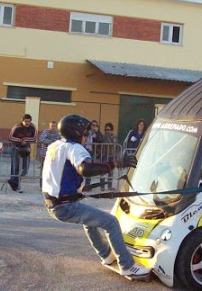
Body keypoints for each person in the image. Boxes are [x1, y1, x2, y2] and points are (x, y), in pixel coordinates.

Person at [42, 114, 150, 280]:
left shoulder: (54, 146)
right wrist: (115, 164)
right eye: (85, 133)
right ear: (76, 133)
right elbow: (85, 169)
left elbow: (59, 173)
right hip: (65, 206)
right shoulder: (75, 148)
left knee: (90, 221)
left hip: (53, 202)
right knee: (111, 222)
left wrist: (76, 190)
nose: (87, 136)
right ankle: (128, 266)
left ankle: (106, 255)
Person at [8, 114, 37, 192]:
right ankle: (14, 183)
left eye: (29, 121)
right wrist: (20, 140)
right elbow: (10, 137)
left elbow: (34, 139)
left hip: (26, 149)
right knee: (15, 167)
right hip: (16, 148)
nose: (27, 123)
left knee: (26, 168)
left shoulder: (33, 127)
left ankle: (15, 181)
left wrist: (25, 140)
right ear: (22, 121)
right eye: (25, 121)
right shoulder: (17, 127)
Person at [38, 120, 60, 187]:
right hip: (45, 154)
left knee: (52, 171)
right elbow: (41, 139)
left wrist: (53, 142)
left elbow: (61, 141)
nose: (53, 127)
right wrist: (52, 142)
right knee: (43, 170)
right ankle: (42, 185)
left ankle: (50, 185)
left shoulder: (58, 133)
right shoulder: (46, 132)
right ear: (49, 126)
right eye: (51, 126)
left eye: (54, 126)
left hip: (54, 155)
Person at [84, 120, 104, 190]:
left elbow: (101, 140)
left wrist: (97, 132)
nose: (94, 126)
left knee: (92, 169)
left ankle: (91, 186)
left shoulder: (98, 133)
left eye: (95, 125)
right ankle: (86, 185)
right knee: (85, 169)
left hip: (93, 152)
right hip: (85, 151)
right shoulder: (87, 132)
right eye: (93, 125)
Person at [101, 122, 119, 190]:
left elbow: (117, 146)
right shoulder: (103, 137)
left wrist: (116, 157)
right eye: (106, 129)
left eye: (109, 129)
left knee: (111, 172)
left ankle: (109, 186)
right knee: (103, 171)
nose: (107, 131)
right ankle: (102, 186)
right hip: (105, 155)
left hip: (112, 155)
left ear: (112, 130)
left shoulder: (114, 137)